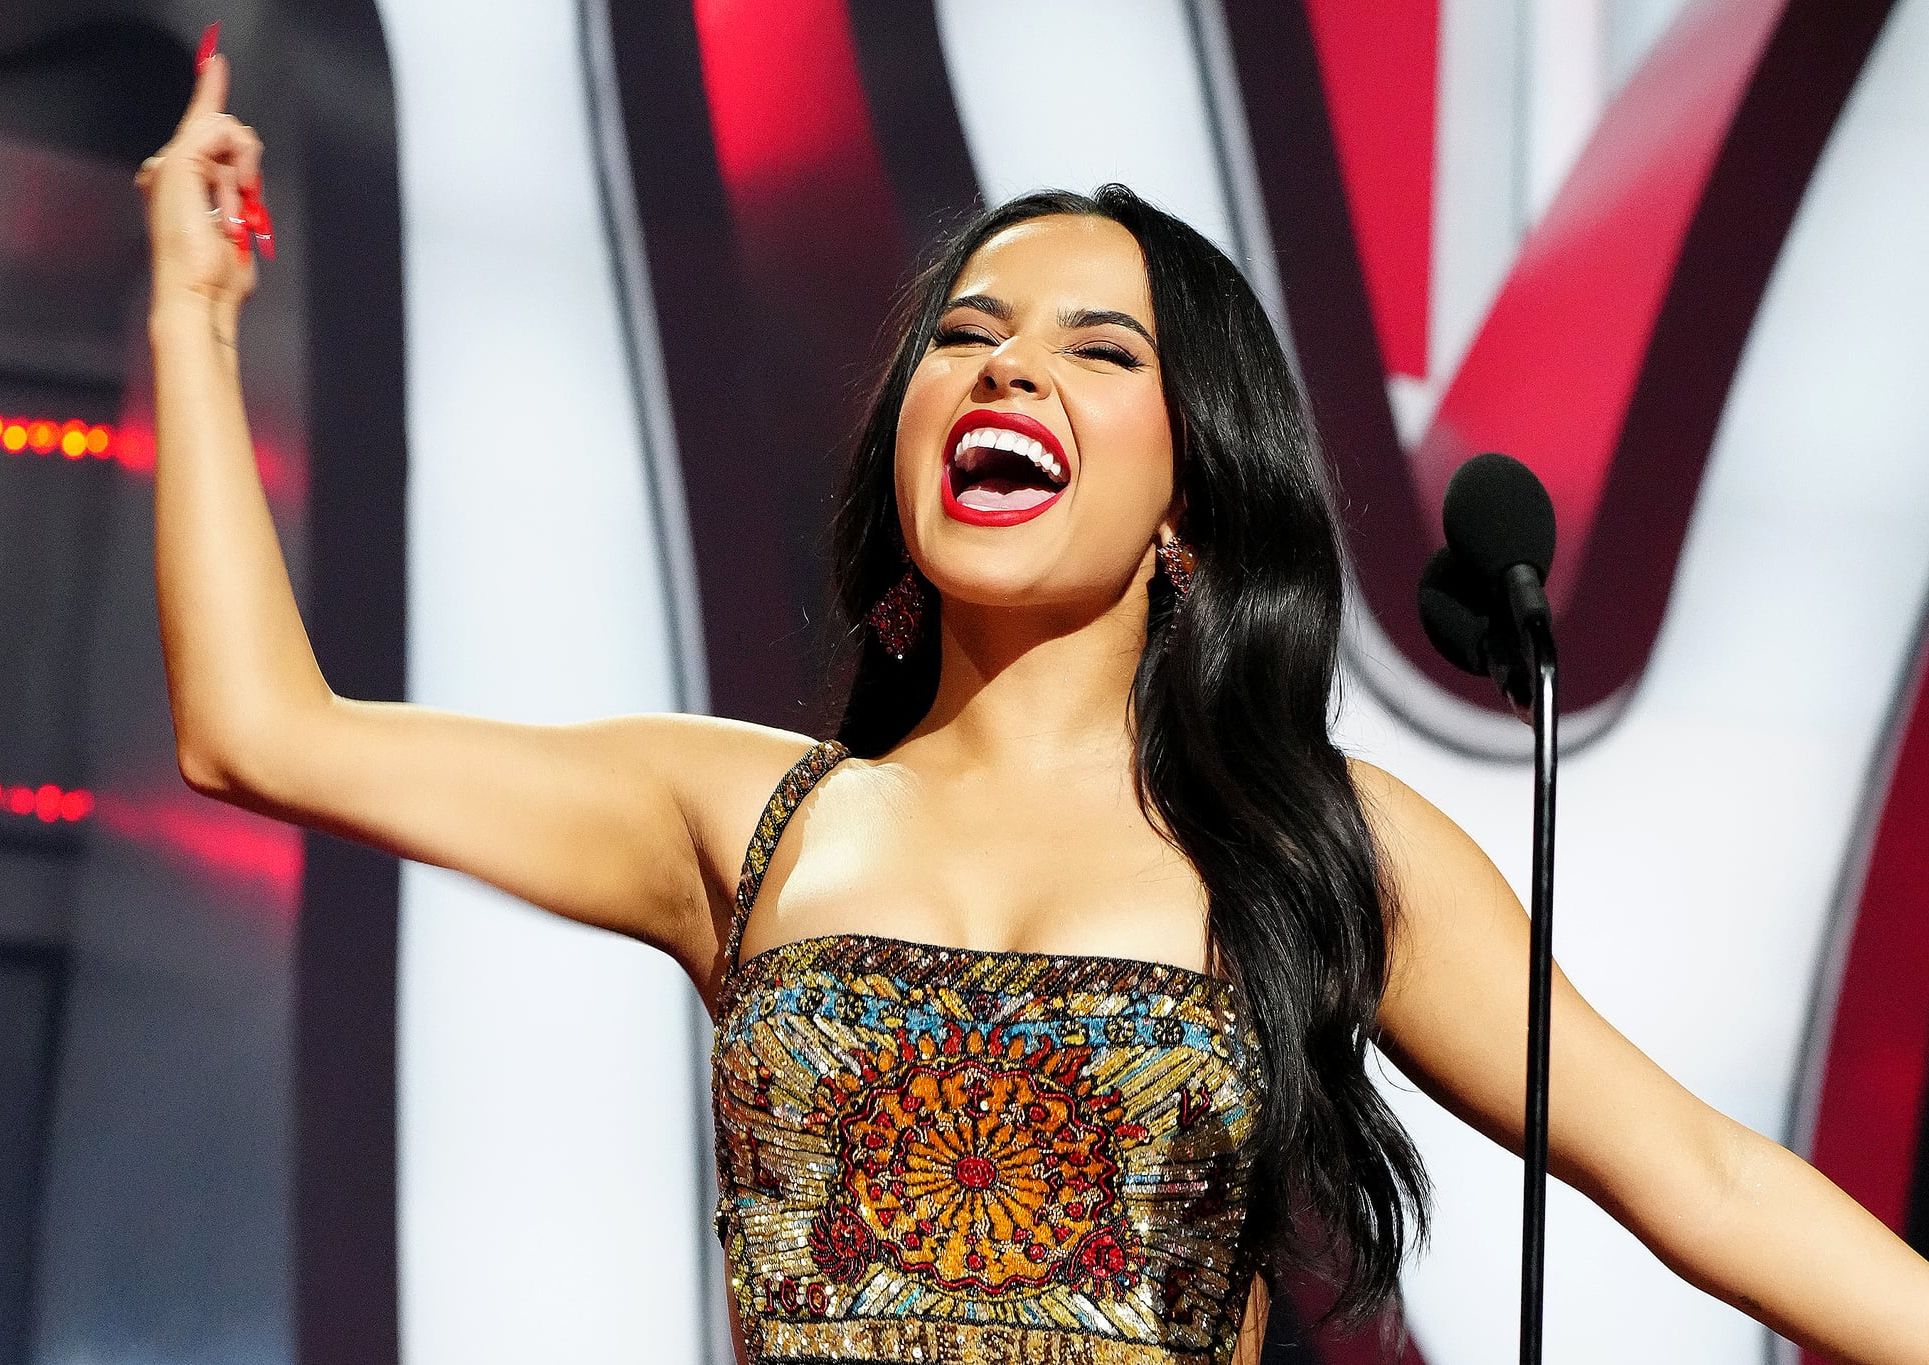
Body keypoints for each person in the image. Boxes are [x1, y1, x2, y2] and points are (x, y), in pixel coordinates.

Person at [139, 49, 1929, 1365]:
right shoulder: (741, 818)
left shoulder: (1315, 845)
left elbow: (1709, 1179)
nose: (1008, 365)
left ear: (1193, 504)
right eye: (970, 333)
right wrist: (193, 317)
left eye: (1101, 347)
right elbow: (261, 729)